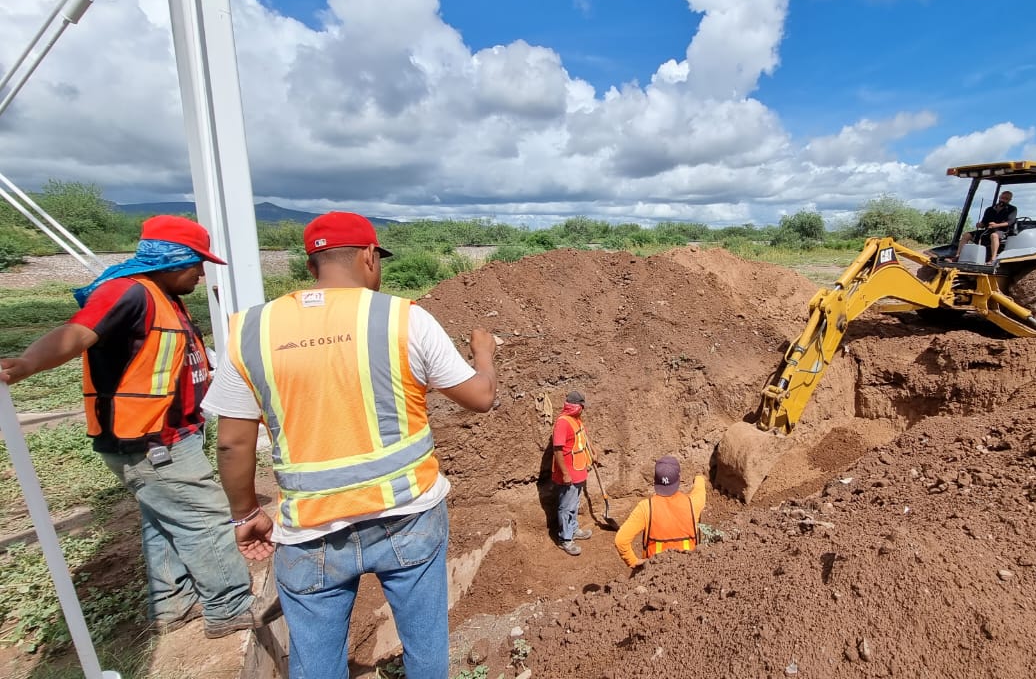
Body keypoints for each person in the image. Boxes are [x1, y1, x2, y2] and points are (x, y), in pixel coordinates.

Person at [202, 211, 497, 679]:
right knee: (426, 650)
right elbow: (479, 398)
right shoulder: (404, 319)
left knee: (316, 664)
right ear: (368, 256)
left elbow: (233, 445)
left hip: (310, 529)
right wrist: (484, 353)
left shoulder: (251, 332)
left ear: (310, 266)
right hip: (407, 516)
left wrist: (245, 514)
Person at [0, 215, 266, 638]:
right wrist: (28, 363)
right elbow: (78, 331)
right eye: (197, 263)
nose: (201, 272)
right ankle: (230, 606)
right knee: (205, 516)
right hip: (150, 439)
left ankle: (174, 604)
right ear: (172, 258)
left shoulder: (160, 296)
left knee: (163, 521)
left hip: (160, 435)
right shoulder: (127, 292)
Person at [614, 455, 706, 569]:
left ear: (655, 480)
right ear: (678, 478)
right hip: (687, 568)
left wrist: (633, 562)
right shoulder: (693, 503)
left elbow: (621, 540)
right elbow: (700, 490)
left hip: (654, 571)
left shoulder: (646, 508)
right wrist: (699, 478)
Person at [550, 389, 593, 556]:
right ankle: (565, 538)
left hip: (579, 469)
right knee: (566, 506)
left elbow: (584, 438)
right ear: (576, 406)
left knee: (574, 504)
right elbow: (558, 450)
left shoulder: (576, 420)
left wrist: (593, 452)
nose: (583, 409)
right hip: (569, 473)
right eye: (582, 406)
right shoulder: (563, 423)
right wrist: (565, 473)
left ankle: (573, 529)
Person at [956, 190, 1018, 262]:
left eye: (1006, 199)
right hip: (987, 231)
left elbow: (1009, 222)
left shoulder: (1012, 209)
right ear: (999, 197)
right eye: (1002, 198)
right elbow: (984, 223)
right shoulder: (989, 209)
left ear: (1010, 200)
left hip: (1002, 232)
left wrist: (996, 225)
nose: (1003, 200)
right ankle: (958, 256)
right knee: (966, 235)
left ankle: (993, 259)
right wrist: (980, 224)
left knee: (994, 235)